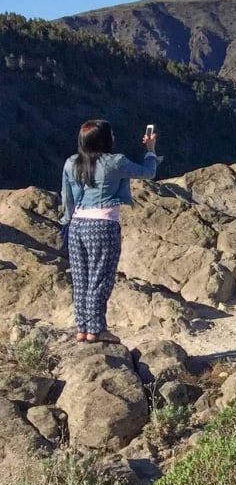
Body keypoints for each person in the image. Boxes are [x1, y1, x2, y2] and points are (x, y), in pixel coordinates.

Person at [59, 120, 159, 343]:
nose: (114, 137)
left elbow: (67, 197)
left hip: (77, 225)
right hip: (103, 225)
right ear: (104, 139)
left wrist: (67, 221)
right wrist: (150, 150)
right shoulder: (116, 162)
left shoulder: (71, 162)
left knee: (81, 279)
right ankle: (96, 330)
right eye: (111, 134)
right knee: (100, 279)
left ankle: (82, 328)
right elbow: (148, 173)